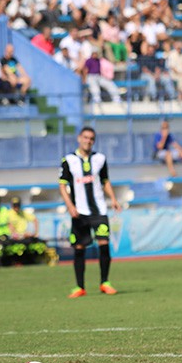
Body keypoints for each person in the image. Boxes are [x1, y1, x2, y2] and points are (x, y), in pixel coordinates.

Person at [59, 126, 121, 298]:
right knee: (79, 248)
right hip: (79, 212)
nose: (88, 141)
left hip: (99, 210)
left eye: (91, 138)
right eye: (85, 137)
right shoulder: (68, 160)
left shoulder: (100, 159)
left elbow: (105, 181)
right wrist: (70, 206)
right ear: (79, 138)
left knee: (103, 244)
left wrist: (114, 199)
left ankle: (105, 282)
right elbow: (62, 185)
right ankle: (80, 287)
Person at [8, 196, 48, 264]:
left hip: (24, 236)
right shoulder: (8, 214)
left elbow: (35, 220)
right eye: (15, 206)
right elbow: (11, 229)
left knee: (40, 241)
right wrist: (21, 235)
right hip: (15, 238)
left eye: (17, 205)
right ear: (11, 206)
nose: (16, 207)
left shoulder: (23, 213)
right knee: (19, 246)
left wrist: (35, 232)